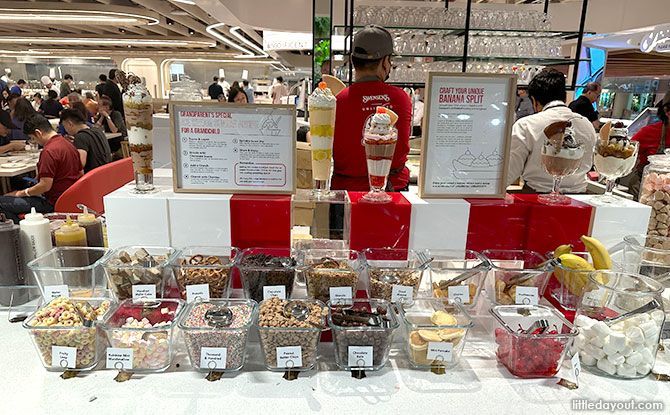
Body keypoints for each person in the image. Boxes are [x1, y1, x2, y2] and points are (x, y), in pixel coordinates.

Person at [331, 25, 411, 192]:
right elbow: (401, 150)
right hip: (391, 192)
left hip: (345, 194)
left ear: (353, 61)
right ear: (384, 62)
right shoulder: (400, 98)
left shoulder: (338, 101)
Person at [507, 68, 596, 193]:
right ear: (564, 96)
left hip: (537, 198)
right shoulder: (587, 124)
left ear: (534, 100)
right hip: (578, 199)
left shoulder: (526, 125)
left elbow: (511, 170)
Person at [0, 114, 82, 223]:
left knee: (2, 202)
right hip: (71, 197)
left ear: (38, 133)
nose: (35, 142)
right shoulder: (68, 144)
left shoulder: (49, 151)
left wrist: (21, 193)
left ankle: (20, 231)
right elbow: (80, 172)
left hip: (52, 202)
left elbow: (45, 186)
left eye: (33, 138)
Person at [61, 109, 111, 173]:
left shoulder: (80, 137)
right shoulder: (98, 131)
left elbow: (80, 164)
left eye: (64, 126)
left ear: (70, 124)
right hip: (107, 171)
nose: (66, 130)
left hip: (94, 176)